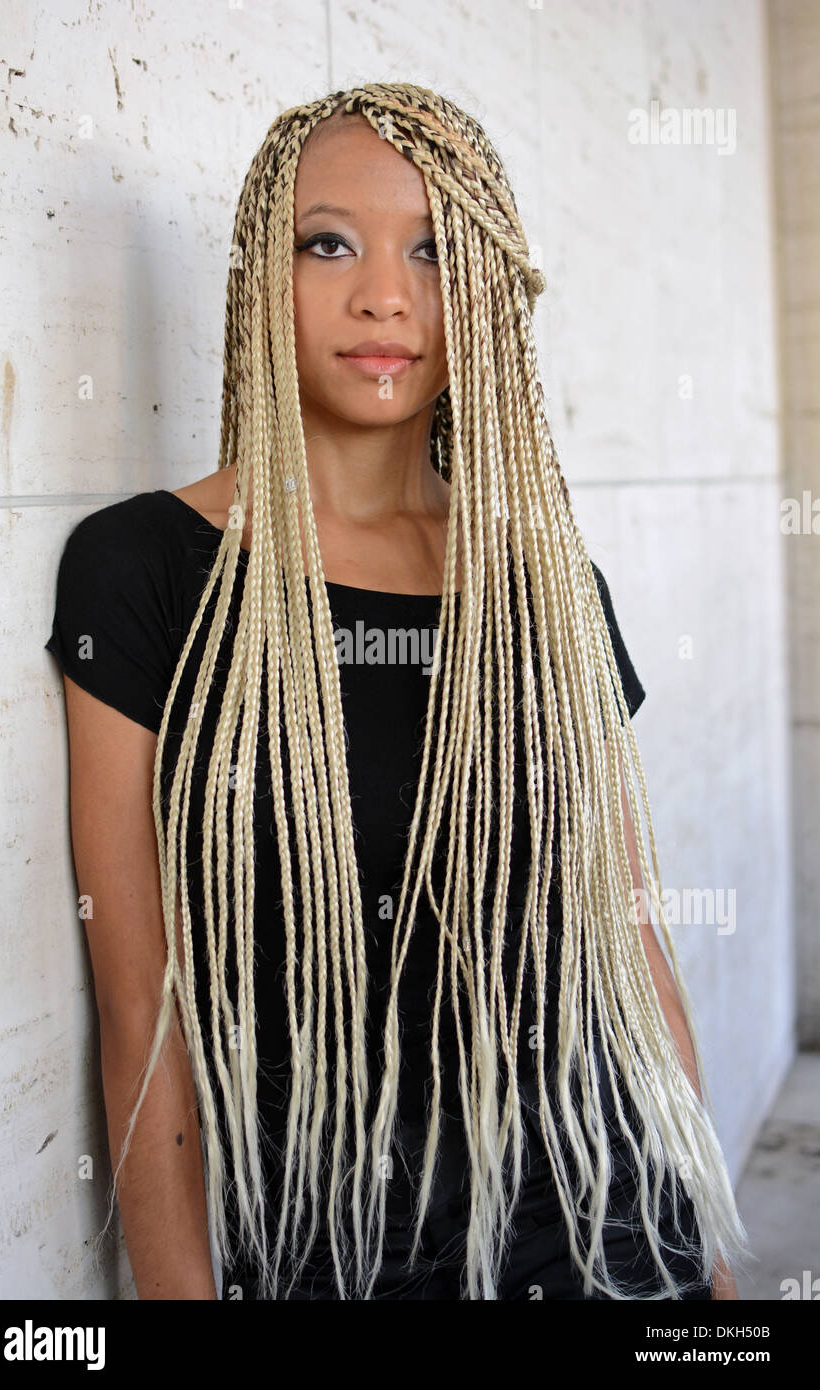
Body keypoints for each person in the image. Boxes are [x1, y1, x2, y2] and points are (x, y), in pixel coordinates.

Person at [45, 81, 748, 1301]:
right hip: (341, 1260)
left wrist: (720, 1298)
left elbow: (634, 956)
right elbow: (140, 1027)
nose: (383, 293)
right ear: (263, 272)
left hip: (612, 1244)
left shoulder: (545, 585)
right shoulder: (146, 571)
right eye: (331, 243)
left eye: (432, 248)